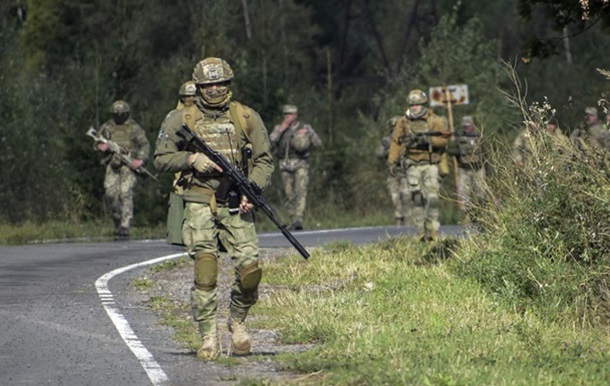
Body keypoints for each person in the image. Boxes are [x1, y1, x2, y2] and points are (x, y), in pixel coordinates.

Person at [154, 57, 274, 360]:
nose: (216, 89)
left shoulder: (246, 116)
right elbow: (160, 158)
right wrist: (191, 160)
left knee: (250, 271)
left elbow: (264, 161)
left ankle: (237, 321)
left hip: (236, 200)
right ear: (199, 86)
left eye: (221, 83)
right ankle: (208, 335)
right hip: (197, 200)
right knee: (205, 271)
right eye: (209, 84)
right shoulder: (180, 119)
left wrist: (253, 188)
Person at [387, 89, 448, 242]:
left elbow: (444, 139)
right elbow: (395, 142)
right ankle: (420, 230)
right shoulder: (403, 122)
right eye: (412, 105)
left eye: (417, 105)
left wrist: (428, 141)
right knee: (416, 197)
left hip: (430, 163)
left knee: (432, 197)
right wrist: (392, 161)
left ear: (423, 105)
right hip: (412, 163)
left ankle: (432, 229)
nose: (414, 107)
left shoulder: (434, 120)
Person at [94, 100, 150, 239]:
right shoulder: (107, 127)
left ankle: (125, 225)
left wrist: (140, 160)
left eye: (122, 115)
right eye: (116, 115)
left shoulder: (134, 128)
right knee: (110, 194)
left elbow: (144, 145)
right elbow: (97, 142)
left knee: (125, 192)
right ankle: (117, 221)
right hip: (112, 164)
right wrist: (102, 147)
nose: (119, 117)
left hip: (128, 166)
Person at [269, 104, 322, 230]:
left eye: (290, 114)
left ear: (296, 115)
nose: (288, 117)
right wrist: (280, 130)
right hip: (285, 165)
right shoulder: (279, 128)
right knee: (289, 194)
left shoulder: (305, 127)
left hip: (300, 164)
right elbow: (270, 143)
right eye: (286, 114)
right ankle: (293, 219)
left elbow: (318, 143)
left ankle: (299, 220)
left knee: (301, 192)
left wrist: (308, 133)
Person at [447, 116, 488, 215]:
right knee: (464, 193)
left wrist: (488, 169)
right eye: (465, 126)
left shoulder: (479, 136)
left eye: (468, 126)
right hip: (464, 170)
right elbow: (450, 150)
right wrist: (458, 151)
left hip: (478, 169)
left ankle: (482, 213)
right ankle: (467, 215)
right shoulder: (458, 137)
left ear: (472, 125)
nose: (467, 128)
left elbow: (486, 153)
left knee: (481, 193)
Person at [375, 116, 412, 225]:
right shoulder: (387, 140)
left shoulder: (407, 140)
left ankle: (408, 220)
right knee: (394, 197)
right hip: (393, 173)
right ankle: (398, 219)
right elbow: (378, 154)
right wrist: (388, 151)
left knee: (406, 195)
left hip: (406, 173)